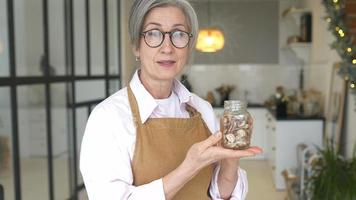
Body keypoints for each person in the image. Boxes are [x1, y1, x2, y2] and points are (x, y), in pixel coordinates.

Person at [79, 0, 262, 199]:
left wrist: (230, 158)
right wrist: (188, 168)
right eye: (153, 33)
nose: (168, 47)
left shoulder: (202, 109)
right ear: (136, 46)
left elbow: (219, 194)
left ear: (189, 45)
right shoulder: (108, 118)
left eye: (179, 34)